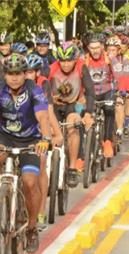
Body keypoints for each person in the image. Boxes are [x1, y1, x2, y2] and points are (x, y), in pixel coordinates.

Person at [0, 54, 51, 252]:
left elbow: (43, 116)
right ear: (5, 74)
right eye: (10, 74)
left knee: (29, 182)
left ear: (25, 74)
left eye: (18, 74)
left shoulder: (34, 91)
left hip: (31, 140)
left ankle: (32, 228)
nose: (14, 78)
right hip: (6, 136)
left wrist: (45, 139)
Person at [25, 54, 63, 229]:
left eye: (30, 72)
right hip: (18, 133)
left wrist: (57, 133)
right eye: (23, 72)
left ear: (37, 73)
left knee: (40, 163)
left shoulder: (43, 85)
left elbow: (48, 111)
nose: (26, 76)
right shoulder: (12, 85)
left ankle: (40, 210)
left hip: (39, 131)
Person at [48, 41, 94, 186]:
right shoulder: (51, 69)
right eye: (62, 61)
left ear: (75, 59)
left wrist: (88, 113)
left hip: (74, 104)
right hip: (56, 104)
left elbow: (90, 91)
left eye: (69, 61)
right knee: (48, 129)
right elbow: (40, 86)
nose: (65, 64)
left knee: (72, 125)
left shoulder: (81, 67)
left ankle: (73, 167)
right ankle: (50, 164)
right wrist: (50, 98)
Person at [82, 34, 119, 159]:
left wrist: (119, 93)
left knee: (109, 110)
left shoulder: (110, 59)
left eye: (97, 47)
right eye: (92, 48)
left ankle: (107, 141)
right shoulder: (84, 60)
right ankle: (83, 152)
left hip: (107, 91)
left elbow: (119, 76)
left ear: (102, 47)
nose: (95, 50)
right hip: (91, 94)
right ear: (88, 48)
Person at [106, 37, 129, 140]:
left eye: (113, 50)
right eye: (108, 49)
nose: (110, 52)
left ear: (118, 51)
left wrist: (125, 91)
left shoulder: (124, 60)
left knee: (119, 102)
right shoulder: (103, 59)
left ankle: (120, 129)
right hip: (105, 88)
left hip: (119, 87)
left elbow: (125, 76)